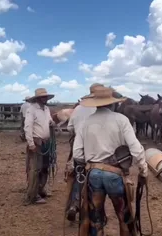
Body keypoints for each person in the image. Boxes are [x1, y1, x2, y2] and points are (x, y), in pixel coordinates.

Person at [72, 86, 148, 236]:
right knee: (124, 217)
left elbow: (77, 153)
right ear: (113, 103)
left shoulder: (86, 122)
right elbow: (136, 148)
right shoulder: (121, 120)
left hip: (93, 174)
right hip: (115, 174)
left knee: (95, 218)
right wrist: (143, 169)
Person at [65, 83, 104, 221]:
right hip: (96, 148)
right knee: (97, 176)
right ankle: (95, 207)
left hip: (78, 146)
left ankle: (74, 204)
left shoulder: (78, 108)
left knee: (78, 175)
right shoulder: (101, 109)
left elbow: (69, 128)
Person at [24, 88, 55, 205]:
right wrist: (31, 143)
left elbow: (49, 120)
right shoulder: (31, 109)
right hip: (37, 142)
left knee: (45, 167)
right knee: (35, 169)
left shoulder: (46, 109)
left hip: (46, 142)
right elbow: (28, 127)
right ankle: (33, 194)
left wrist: (51, 122)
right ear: (37, 98)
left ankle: (41, 189)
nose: (45, 98)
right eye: (43, 97)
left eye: (46, 97)